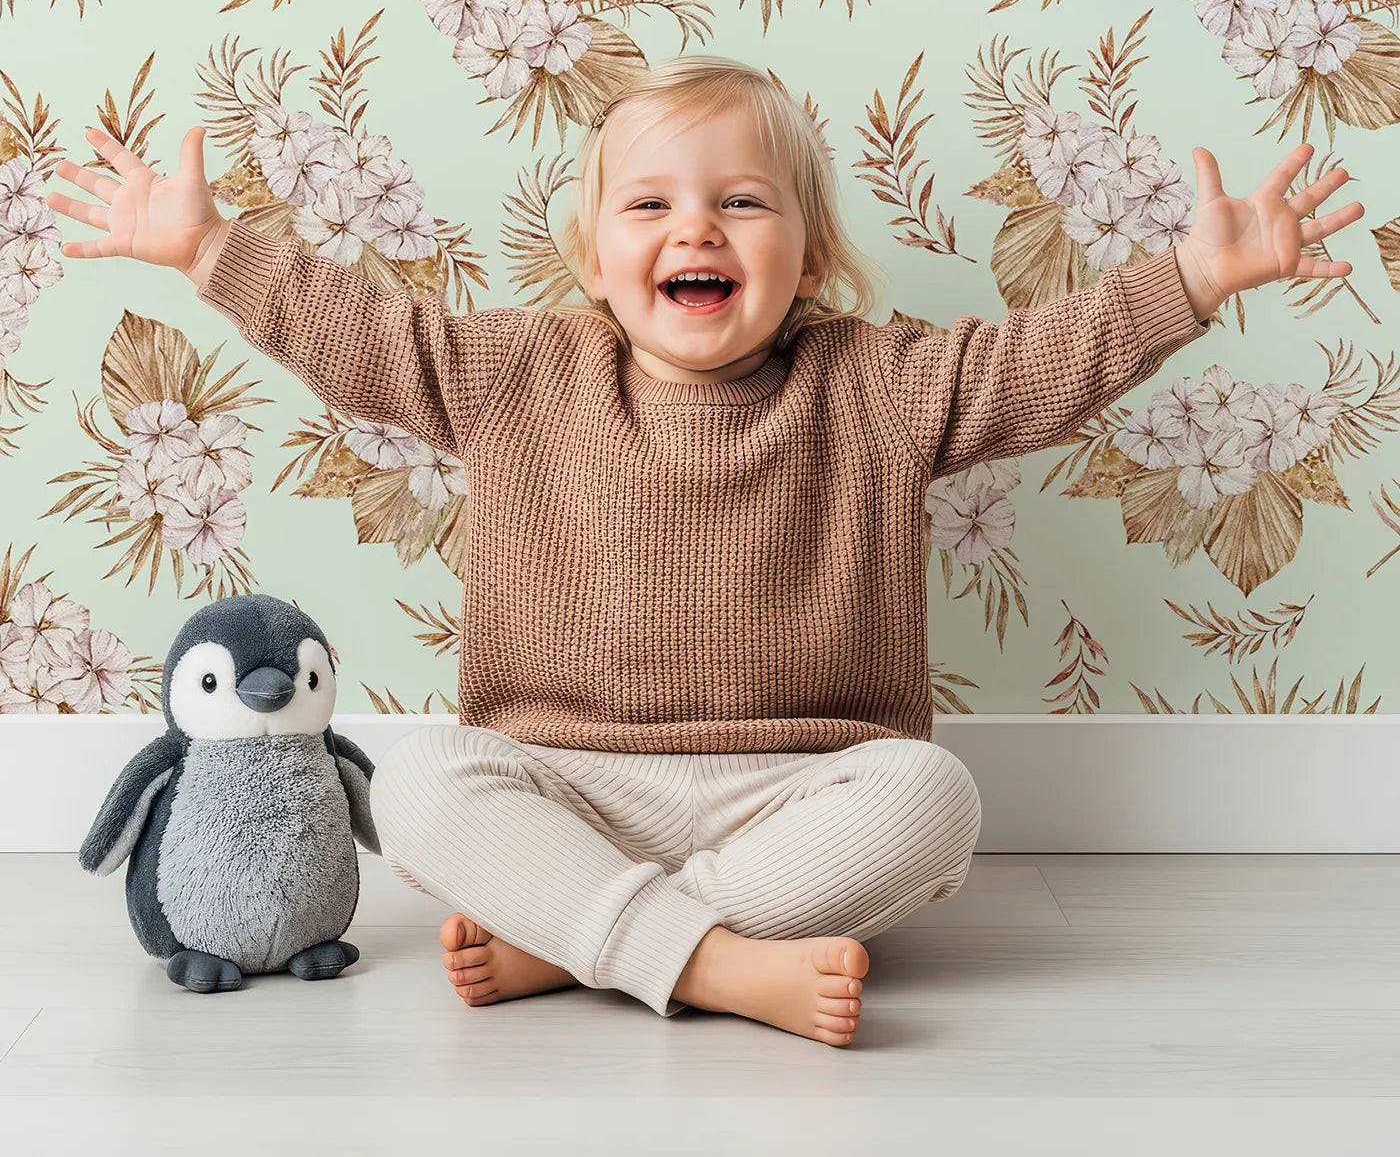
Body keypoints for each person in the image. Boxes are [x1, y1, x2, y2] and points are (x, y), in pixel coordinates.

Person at [47, 55, 1361, 1046]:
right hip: (567, 779)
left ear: (811, 256)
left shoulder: (880, 384)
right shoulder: (515, 373)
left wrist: (1187, 280)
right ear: (594, 255)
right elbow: (357, 332)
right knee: (422, 782)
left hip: (803, 790)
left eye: (743, 201)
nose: (698, 230)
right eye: (653, 205)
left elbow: (1039, 364)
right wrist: (210, 250)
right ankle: (724, 962)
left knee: (935, 799)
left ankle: (583, 943)